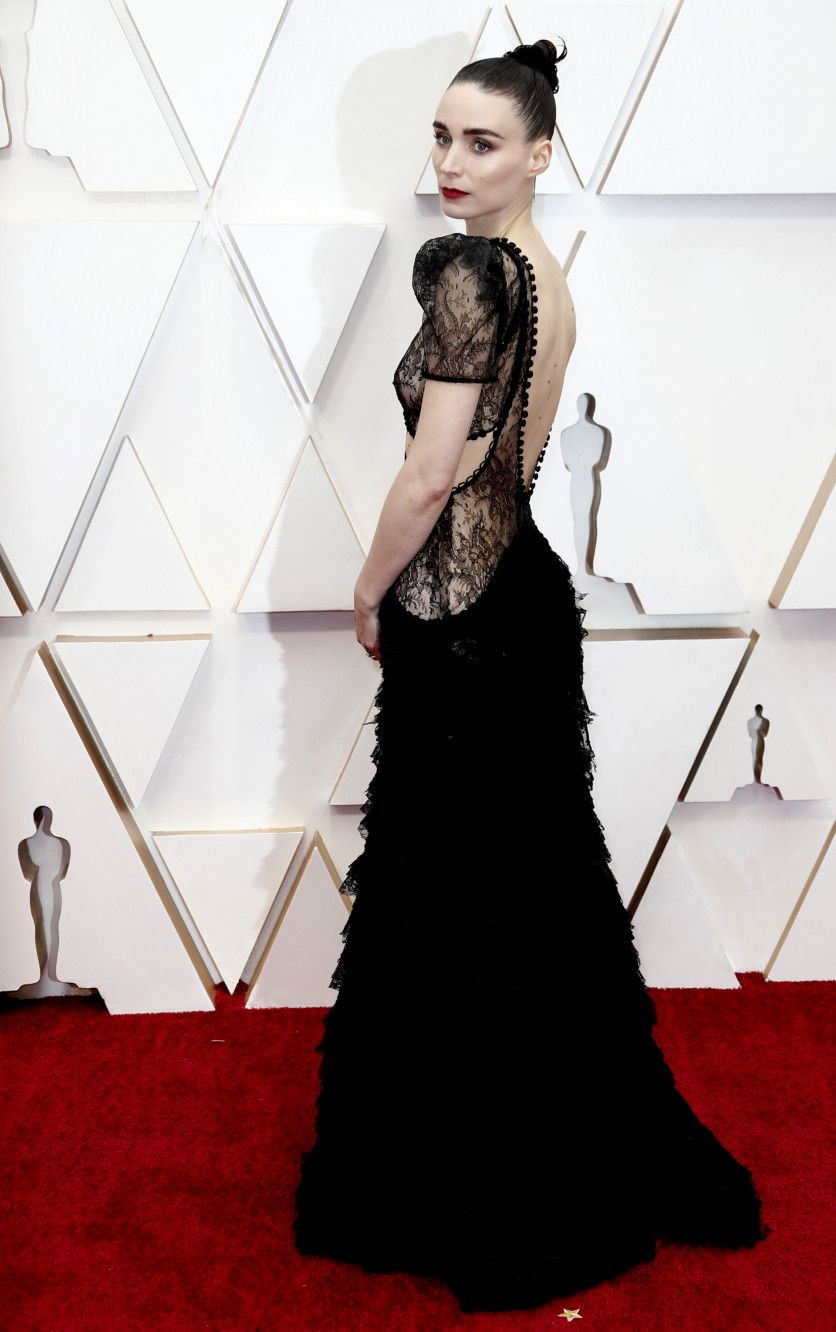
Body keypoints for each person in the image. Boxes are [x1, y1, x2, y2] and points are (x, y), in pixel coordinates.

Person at [292, 38, 770, 1314]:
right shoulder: (543, 275)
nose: (451, 162)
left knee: (454, 892)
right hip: (522, 599)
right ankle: (554, 1132)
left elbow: (429, 476)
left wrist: (365, 588)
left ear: (539, 152)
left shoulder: (466, 273)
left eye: (482, 142)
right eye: (441, 137)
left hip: (459, 611)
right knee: (525, 884)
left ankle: (471, 1172)